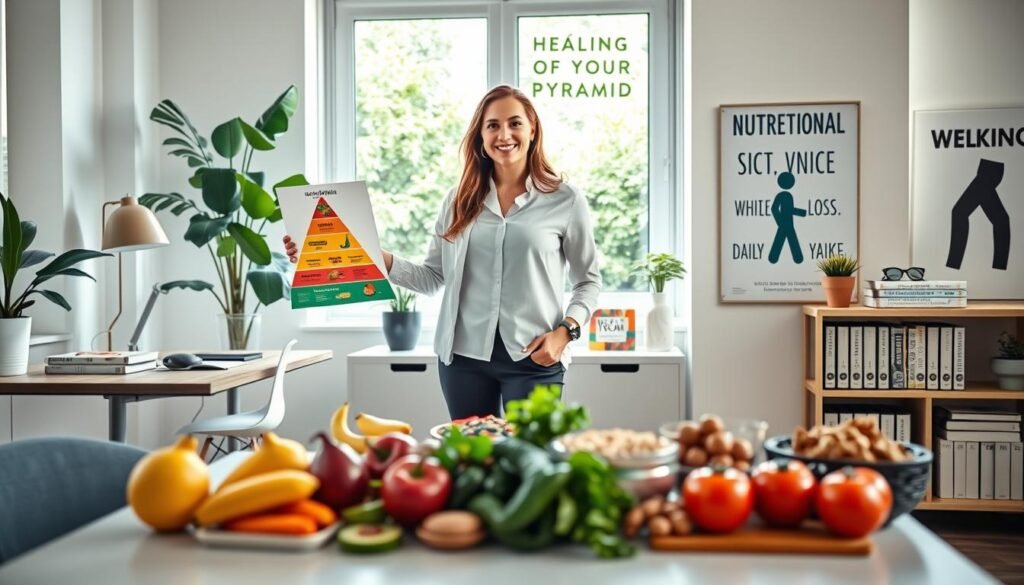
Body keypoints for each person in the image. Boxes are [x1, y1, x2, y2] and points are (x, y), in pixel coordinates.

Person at [284, 85, 601, 420]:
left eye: (514, 123)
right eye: (492, 125)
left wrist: (565, 333)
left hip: (535, 357)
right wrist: (350, 251)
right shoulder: (458, 199)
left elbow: (588, 282)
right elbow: (432, 278)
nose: (504, 134)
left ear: (532, 128)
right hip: (463, 362)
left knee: (533, 465)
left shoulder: (565, 200)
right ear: (480, 134)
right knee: (471, 466)